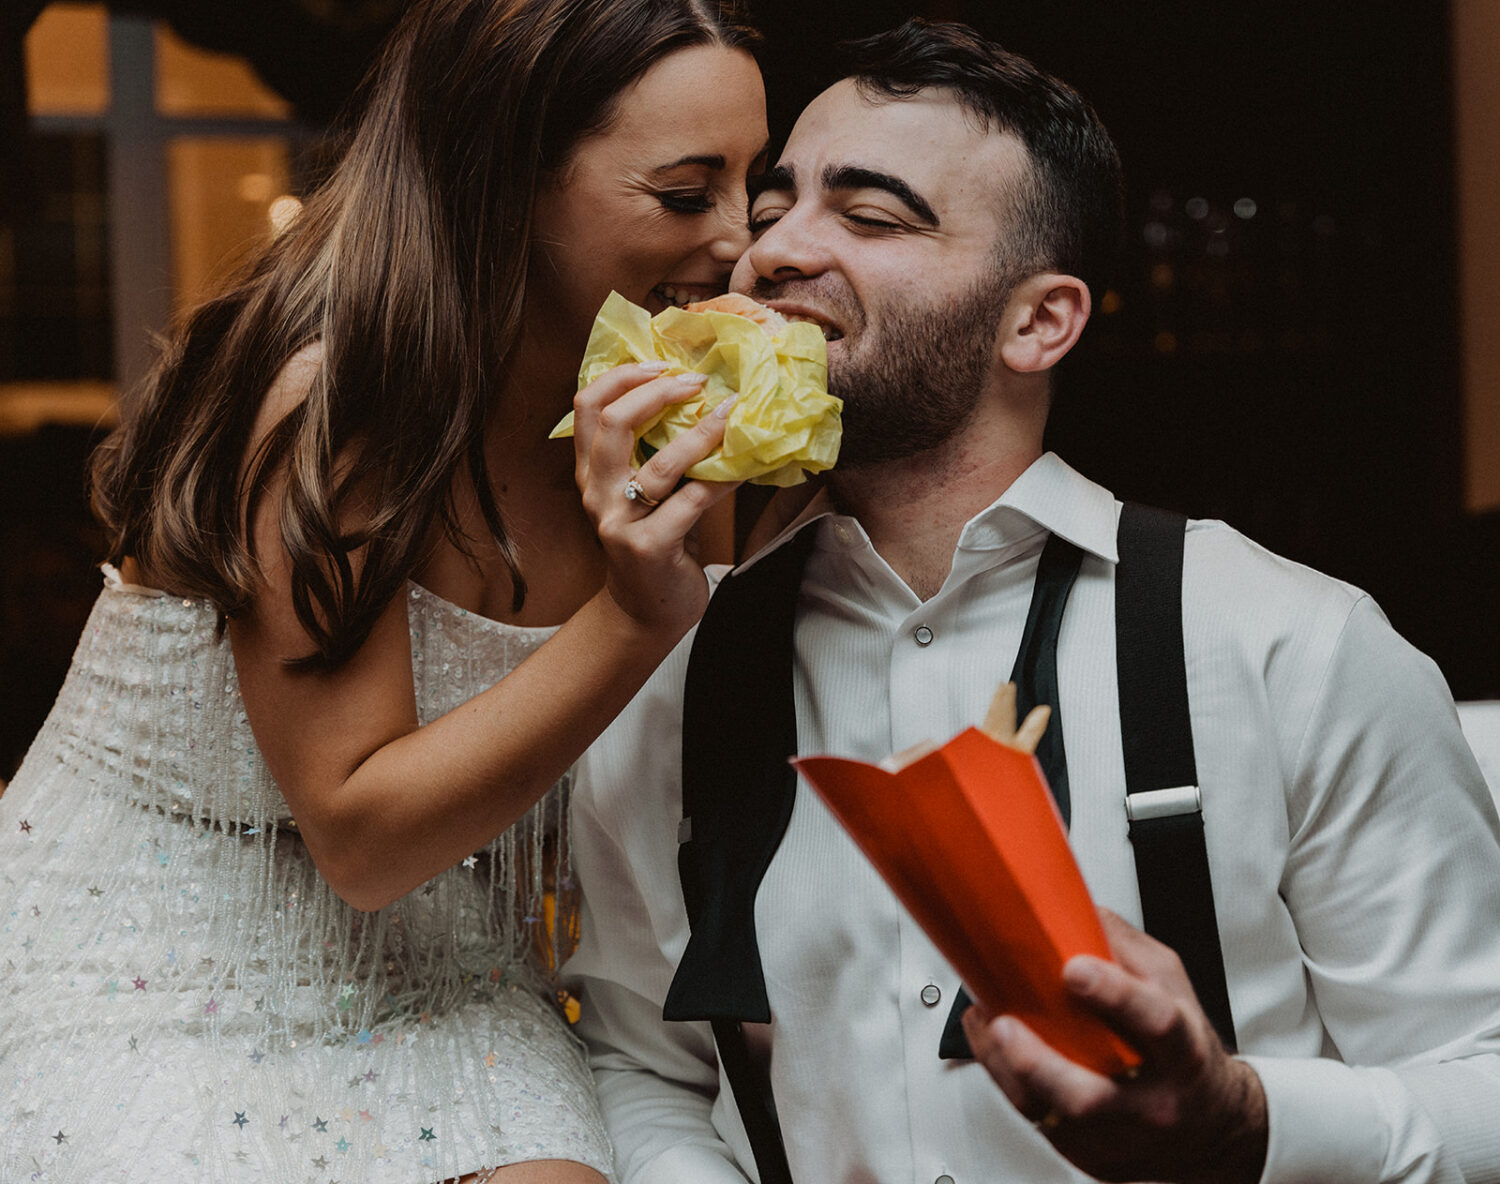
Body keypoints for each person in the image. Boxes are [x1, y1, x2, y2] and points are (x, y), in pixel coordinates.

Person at [565, 19, 1500, 1184]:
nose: (768, 255)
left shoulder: (1289, 644)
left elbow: (1480, 1073)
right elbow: (641, 1062)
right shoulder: (675, 661)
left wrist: (1243, 1118)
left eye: (868, 215)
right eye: (774, 208)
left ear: (1039, 320)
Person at [0, 0, 769, 1179]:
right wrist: (636, 609)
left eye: (749, 188)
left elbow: (674, 745)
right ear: (507, 176)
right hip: (147, 936)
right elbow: (358, 832)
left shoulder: (665, 405)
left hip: (433, 946)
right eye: (683, 193)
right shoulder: (339, 401)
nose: (739, 242)